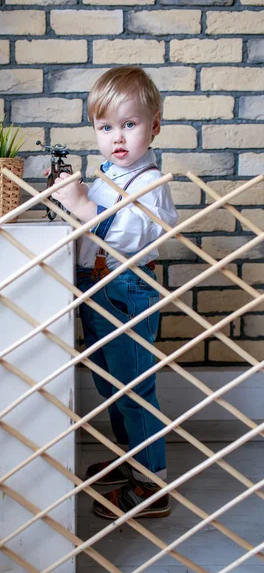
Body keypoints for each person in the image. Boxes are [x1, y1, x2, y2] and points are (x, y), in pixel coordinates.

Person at [51, 66, 178, 520]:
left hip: (126, 290)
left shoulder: (149, 184)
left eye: (130, 124)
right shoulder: (107, 177)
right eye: (106, 127)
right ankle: (130, 458)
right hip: (96, 289)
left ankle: (151, 482)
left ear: (155, 127)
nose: (118, 137)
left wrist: (84, 207)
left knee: (135, 388)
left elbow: (124, 237)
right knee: (110, 383)